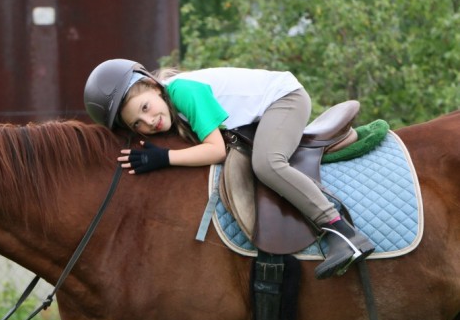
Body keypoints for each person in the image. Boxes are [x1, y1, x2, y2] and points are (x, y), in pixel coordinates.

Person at [83, 58, 374, 279]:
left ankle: (343, 232)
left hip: (285, 98)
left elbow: (216, 150)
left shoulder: (184, 91)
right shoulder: (169, 106)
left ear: (154, 87)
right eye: (137, 124)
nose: (149, 123)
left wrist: (163, 158)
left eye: (145, 108)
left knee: (267, 164)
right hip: (263, 111)